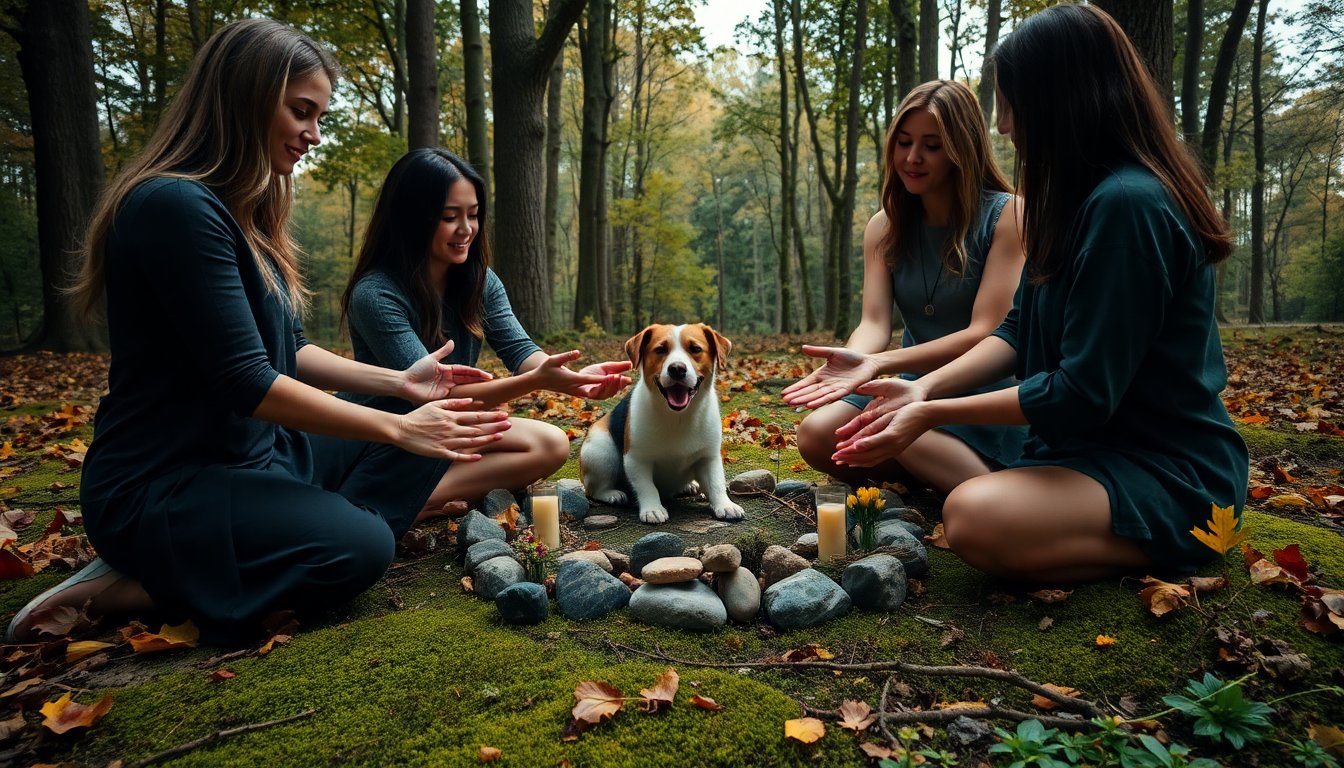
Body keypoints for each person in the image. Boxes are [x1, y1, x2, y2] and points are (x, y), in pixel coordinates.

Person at [6, 20, 511, 644]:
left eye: (319, 115)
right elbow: (247, 380)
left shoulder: (245, 218)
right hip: (162, 487)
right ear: (245, 98)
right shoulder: (173, 207)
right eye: (301, 112)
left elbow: (290, 351)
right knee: (364, 547)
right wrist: (397, 425)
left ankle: (292, 529)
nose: (313, 135)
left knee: (413, 417)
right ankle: (122, 587)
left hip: (257, 458)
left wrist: (400, 385)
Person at [831, 4, 1249, 581]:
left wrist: (929, 411)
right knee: (944, 485)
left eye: (1011, 104)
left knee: (972, 519)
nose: (1003, 125)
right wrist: (917, 390)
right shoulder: (1072, 206)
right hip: (1074, 452)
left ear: (1061, 102)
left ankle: (1183, 544)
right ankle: (1053, 518)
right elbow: (1015, 331)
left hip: (1166, 468)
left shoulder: (1129, 207)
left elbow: (1082, 391)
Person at [341, 148, 631, 516]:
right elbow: (437, 397)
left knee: (551, 443)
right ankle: (383, 497)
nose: (467, 229)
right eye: (450, 217)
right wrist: (539, 382)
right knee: (528, 440)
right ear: (411, 218)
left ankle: (418, 500)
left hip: (451, 428)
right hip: (388, 434)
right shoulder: (376, 294)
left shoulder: (479, 280)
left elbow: (519, 349)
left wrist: (564, 376)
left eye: (473, 215)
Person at [783, 80, 1027, 492]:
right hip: (901, 382)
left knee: (895, 425)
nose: (912, 158)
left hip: (975, 388)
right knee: (816, 435)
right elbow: (875, 324)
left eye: (931, 146)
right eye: (904, 142)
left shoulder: (1008, 216)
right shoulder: (884, 226)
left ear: (961, 149)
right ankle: (927, 470)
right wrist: (852, 362)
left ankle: (985, 486)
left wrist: (882, 364)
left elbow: (986, 332)